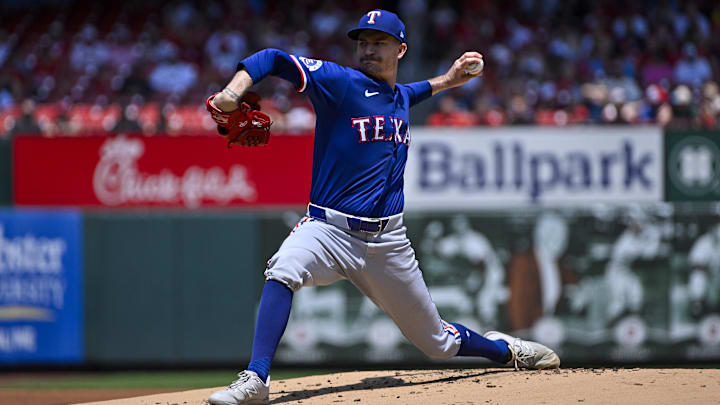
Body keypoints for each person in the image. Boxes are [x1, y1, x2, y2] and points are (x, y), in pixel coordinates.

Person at [207, 10, 560, 405]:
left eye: (379, 42)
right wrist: (233, 92)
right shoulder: (340, 83)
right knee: (283, 267)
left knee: (438, 344)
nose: (368, 49)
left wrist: (447, 80)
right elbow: (272, 58)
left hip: (388, 242)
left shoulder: (400, 96)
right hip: (327, 229)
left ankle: (507, 350)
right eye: (363, 42)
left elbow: (410, 92)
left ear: (401, 49)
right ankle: (256, 377)